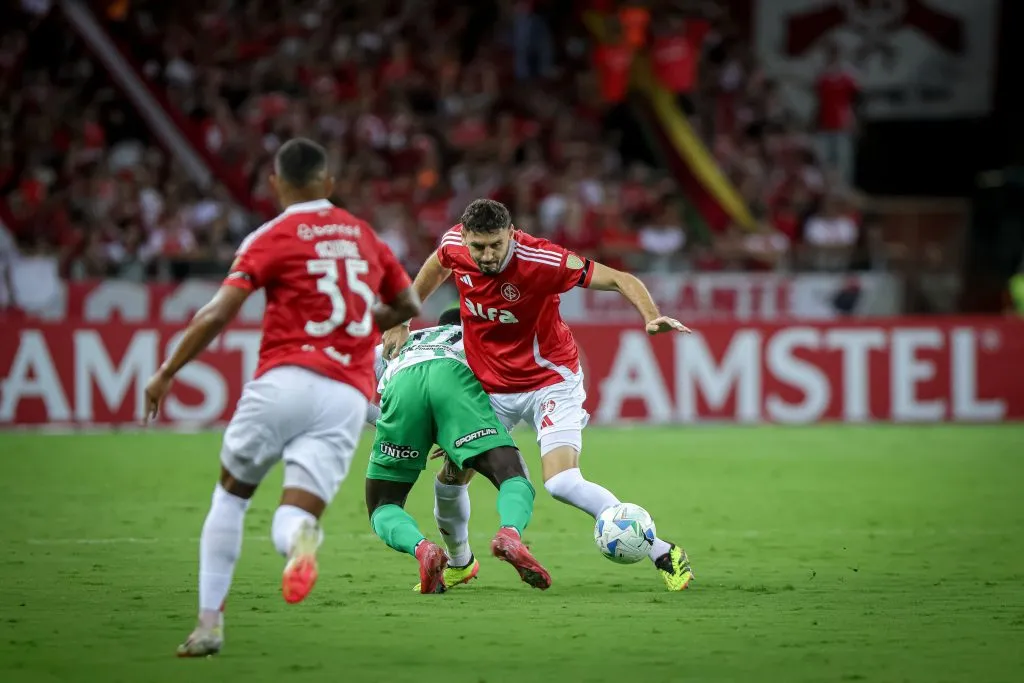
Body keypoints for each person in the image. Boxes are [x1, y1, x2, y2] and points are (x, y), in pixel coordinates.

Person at [143, 138, 420, 657]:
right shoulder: (364, 236)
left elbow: (217, 314)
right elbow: (407, 302)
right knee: (295, 514)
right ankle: (299, 542)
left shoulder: (272, 235)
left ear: (276, 185)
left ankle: (208, 627)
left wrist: (166, 372)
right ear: (329, 184)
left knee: (230, 496)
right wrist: (361, 326)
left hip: (284, 380)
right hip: (344, 394)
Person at [381, 198, 694, 591]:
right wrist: (403, 317)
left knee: (561, 483)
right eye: (478, 247)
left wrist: (650, 316)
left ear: (511, 234)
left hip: (550, 382)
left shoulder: (543, 260)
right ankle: (461, 563)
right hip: (490, 387)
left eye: (496, 244)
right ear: (465, 239)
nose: (488, 255)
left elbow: (619, 278)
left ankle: (663, 552)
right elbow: (437, 265)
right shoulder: (453, 246)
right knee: (449, 479)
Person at [365, 308, 550, 594]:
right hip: (453, 381)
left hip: (401, 387)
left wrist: (388, 423)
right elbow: (506, 396)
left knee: (383, 505)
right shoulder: (479, 339)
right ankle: (509, 533)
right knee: (511, 474)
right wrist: (453, 435)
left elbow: (348, 388)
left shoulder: (407, 338)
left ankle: (424, 549)